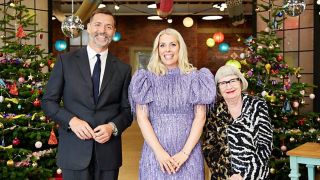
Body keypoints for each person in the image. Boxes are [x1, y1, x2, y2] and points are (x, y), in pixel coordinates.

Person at [41, 9, 133, 180]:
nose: (102, 31)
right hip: (73, 152)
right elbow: (48, 102)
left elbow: (127, 111)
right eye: (98, 25)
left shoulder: (123, 69)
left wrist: (112, 127)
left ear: (113, 32)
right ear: (89, 27)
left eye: (108, 27)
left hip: (108, 155)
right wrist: (71, 121)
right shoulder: (65, 61)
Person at [129, 28, 216, 180]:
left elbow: (200, 117)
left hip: (189, 155)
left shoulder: (195, 78)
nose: (167, 49)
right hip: (155, 155)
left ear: (180, 48)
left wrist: (184, 154)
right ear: (157, 50)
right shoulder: (146, 79)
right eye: (162, 45)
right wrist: (159, 153)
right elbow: (142, 119)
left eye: (172, 45)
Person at [202, 65, 273, 180]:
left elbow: (265, 144)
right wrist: (228, 175)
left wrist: (244, 175)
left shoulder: (257, 105)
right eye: (223, 83)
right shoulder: (213, 111)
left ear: (240, 82)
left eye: (232, 81)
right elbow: (209, 147)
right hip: (225, 177)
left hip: (256, 175)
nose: (228, 86)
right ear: (218, 88)